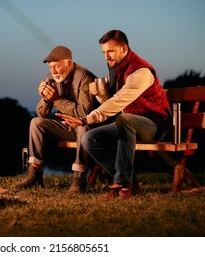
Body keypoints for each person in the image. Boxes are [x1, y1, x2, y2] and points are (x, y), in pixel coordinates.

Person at [56, 30, 172, 199]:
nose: (106, 57)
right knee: (88, 138)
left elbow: (119, 101)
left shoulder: (141, 72)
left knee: (124, 119)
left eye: (110, 51)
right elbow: (113, 103)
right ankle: (127, 179)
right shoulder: (117, 68)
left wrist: (86, 119)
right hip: (128, 124)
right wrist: (99, 95)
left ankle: (123, 185)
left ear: (124, 49)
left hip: (154, 125)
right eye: (104, 52)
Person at [11, 45, 100, 193]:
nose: (53, 71)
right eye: (51, 67)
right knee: (36, 123)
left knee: (83, 126)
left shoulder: (84, 77)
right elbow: (41, 114)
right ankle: (35, 174)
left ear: (69, 63)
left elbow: (85, 113)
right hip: (69, 128)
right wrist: (45, 98)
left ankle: (79, 177)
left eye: (57, 66)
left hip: (91, 129)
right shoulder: (52, 78)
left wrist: (57, 99)